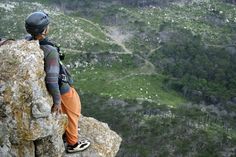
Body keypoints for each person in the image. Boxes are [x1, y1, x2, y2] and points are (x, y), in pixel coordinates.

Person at [25, 11, 90, 153]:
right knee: (74, 111)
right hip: (62, 89)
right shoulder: (50, 51)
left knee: (71, 112)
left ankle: (67, 130)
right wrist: (57, 101)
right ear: (44, 30)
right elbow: (52, 79)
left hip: (58, 88)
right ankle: (73, 144)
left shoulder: (28, 41)